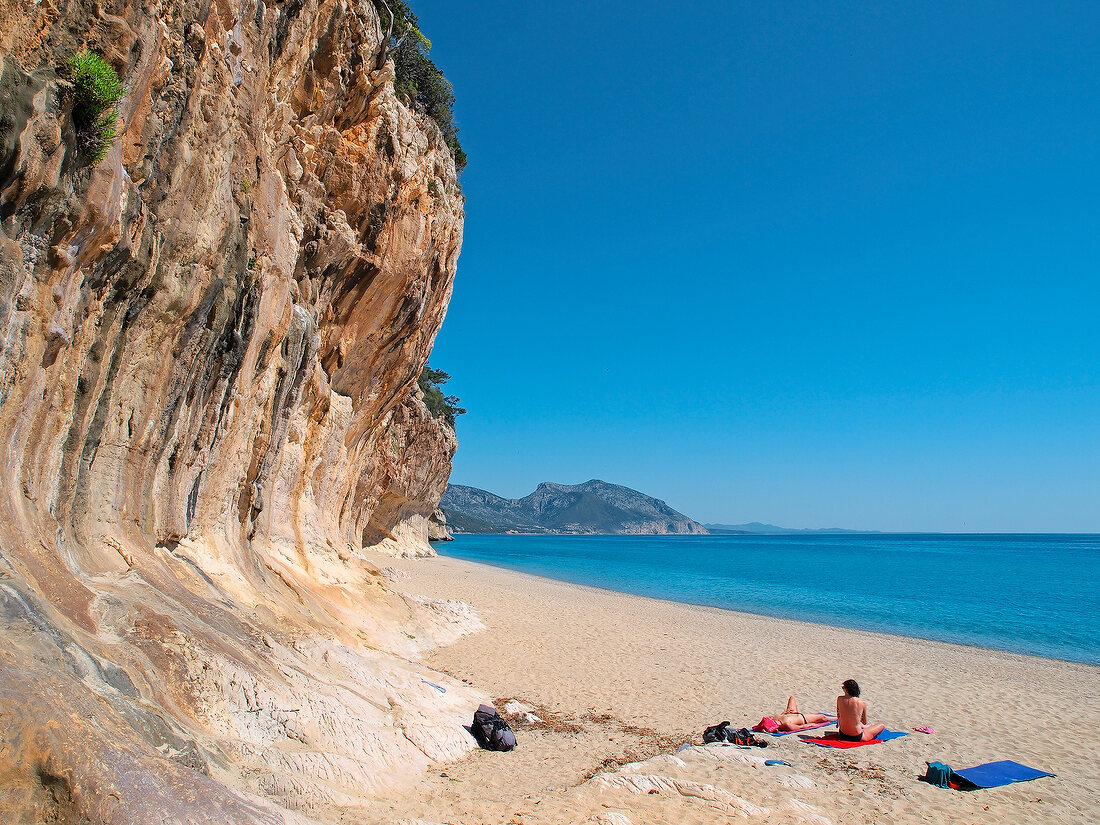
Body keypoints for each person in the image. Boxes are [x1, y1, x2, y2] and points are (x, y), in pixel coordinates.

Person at [766, 696, 834, 732]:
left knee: (792, 698)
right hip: (803, 718)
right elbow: (799, 727)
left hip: (792, 713)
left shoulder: (776, 718)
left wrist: (785, 712)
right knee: (823, 717)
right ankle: (839, 718)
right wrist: (811, 725)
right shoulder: (786, 725)